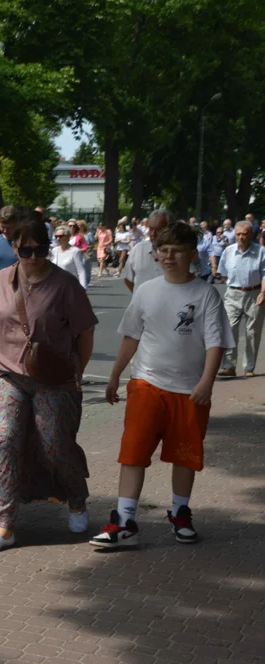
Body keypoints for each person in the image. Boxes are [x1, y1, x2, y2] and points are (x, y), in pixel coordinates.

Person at [0, 213, 97, 553]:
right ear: (13, 247)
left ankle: (76, 500)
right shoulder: (1, 280)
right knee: (4, 439)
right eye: (26, 250)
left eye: (40, 250)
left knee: (55, 444)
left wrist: (77, 369)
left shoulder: (65, 285)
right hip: (7, 376)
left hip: (53, 378)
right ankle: (6, 525)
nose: (34, 257)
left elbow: (85, 332)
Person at [92, 222, 234, 549]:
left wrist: (206, 382)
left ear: (191, 254)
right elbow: (131, 336)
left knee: (185, 456)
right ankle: (125, 522)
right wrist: (115, 376)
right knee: (133, 453)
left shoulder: (205, 294)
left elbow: (216, 343)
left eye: (177, 250)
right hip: (146, 384)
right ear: (157, 254)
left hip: (189, 391)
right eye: (164, 250)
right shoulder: (146, 291)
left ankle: (180, 513)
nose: (169, 256)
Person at [216, 221, 265, 378]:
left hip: (254, 293)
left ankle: (249, 367)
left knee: (252, 333)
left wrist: (263, 292)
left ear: (251, 234)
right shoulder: (228, 251)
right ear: (234, 235)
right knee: (229, 329)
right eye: (238, 234)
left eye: (245, 234)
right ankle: (229, 366)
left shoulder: (261, 251)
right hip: (233, 294)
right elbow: (223, 274)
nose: (241, 237)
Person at [124, 209, 171, 292]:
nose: (153, 234)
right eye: (151, 229)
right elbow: (128, 280)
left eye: (158, 229)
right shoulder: (138, 250)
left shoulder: (180, 254)